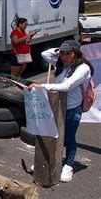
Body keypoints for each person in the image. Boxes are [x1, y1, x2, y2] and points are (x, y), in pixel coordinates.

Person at [28, 40, 94, 183]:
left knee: (69, 138)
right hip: (56, 106)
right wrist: (61, 50)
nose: (64, 57)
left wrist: (42, 86)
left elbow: (67, 86)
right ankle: (50, 161)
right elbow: (44, 53)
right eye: (62, 54)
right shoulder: (62, 64)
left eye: (68, 53)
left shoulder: (83, 68)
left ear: (76, 54)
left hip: (71, 109)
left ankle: (68, 165)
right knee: (52, 134)